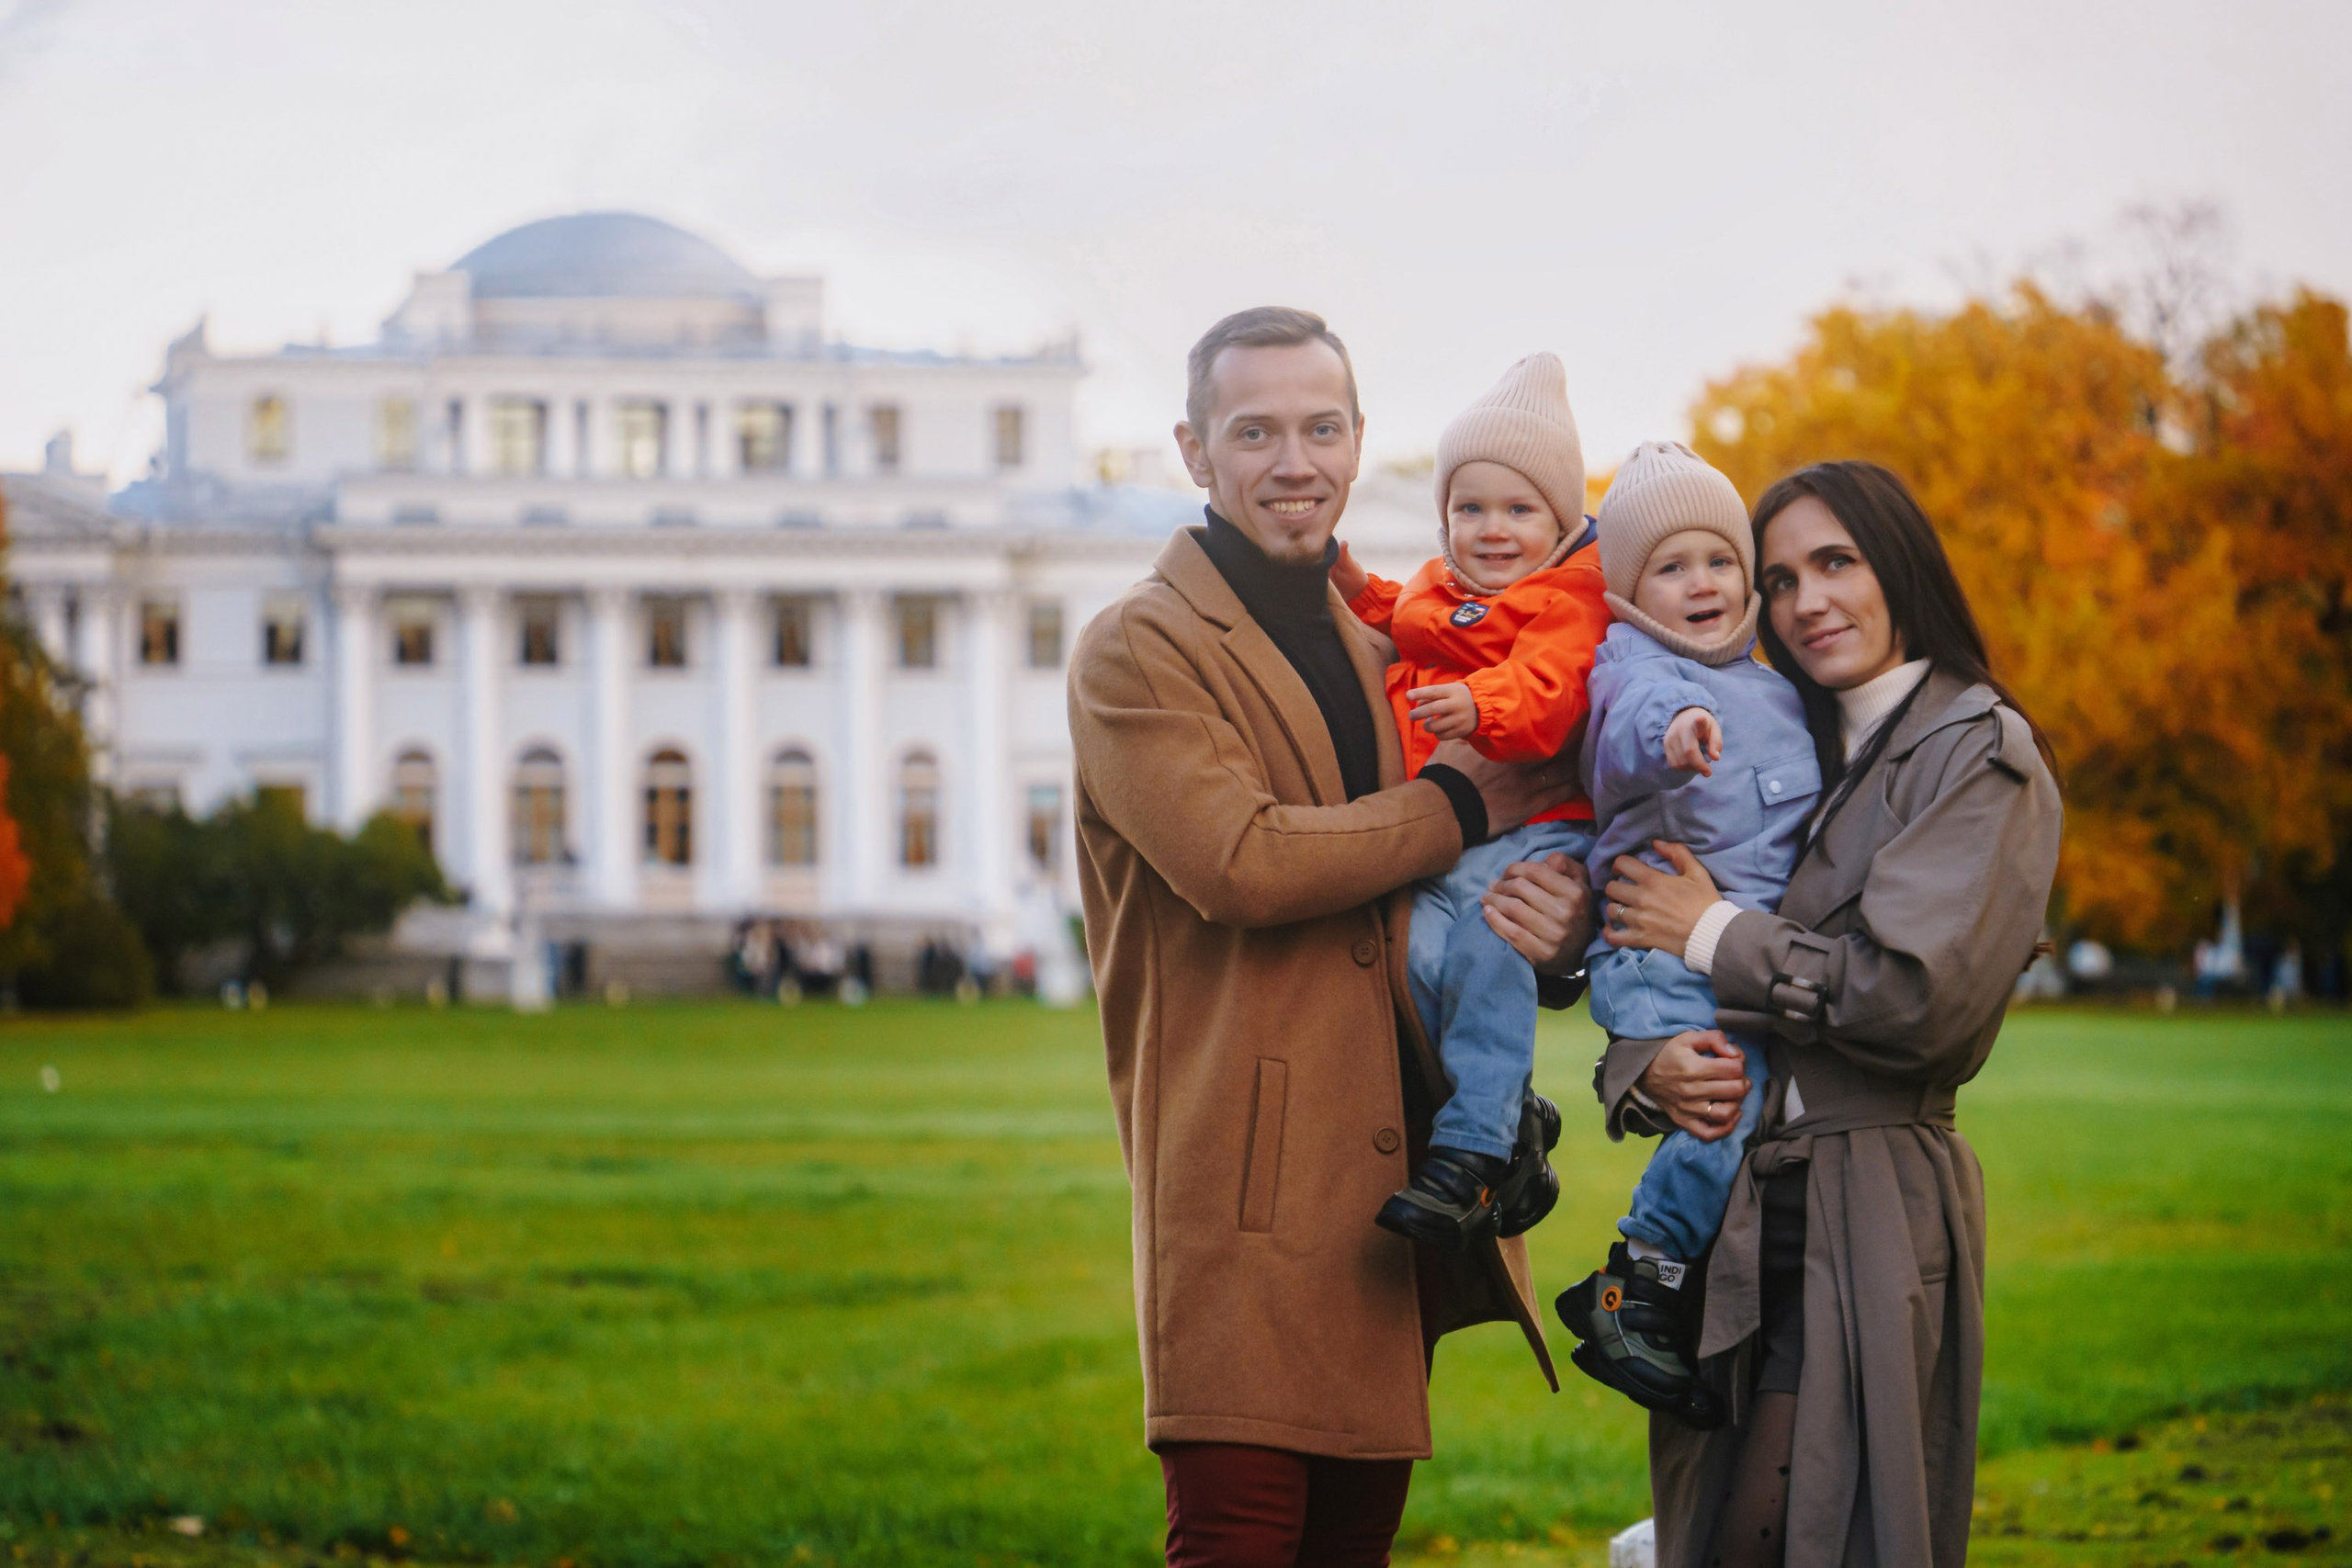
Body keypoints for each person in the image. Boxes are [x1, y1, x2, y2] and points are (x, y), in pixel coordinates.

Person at [1069, 307, 1598, 1566]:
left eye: (1320, 427)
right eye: (1255, 430)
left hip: (1387, 1196)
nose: (1292, 459)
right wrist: (1467, 797)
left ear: (1360, 443)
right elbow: (1241, 860)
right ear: (1195, 450)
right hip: (1245, 1197)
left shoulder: (1392, 643)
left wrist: (1556, 922)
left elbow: (1483, 866)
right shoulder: (1138, 649)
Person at [1595, 460, 2062, 1568]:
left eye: (1836, 564)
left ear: (1898, 565)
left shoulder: (1976, 753)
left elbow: (1916, 1002)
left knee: (1799, 1532)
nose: (1807, 602)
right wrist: (1641, 1054)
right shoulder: (1770, 733)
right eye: (1781, 577)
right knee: (1709, 1531)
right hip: (1731, 1212)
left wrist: (1709, 933)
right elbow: (1643, 898)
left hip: (1864, 1207)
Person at [1547, 443, 1812, 1429]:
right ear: (1626, 588)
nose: (1699, 583)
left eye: (1717, 560)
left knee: (1735, 1106)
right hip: (1656, 951)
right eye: (1669, 566)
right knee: (1719, 1106)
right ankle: (1634, 1281)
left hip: (1733, 952)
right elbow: (1623, 726)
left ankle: (1641, 1289)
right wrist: (1674, 730)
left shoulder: (1780, 689)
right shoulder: (1635, 671)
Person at [1325, 352, 1610, 1249]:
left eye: (1519, 509)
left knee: (1488, 955)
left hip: (1532, 835)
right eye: (1470, 507)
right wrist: (1339, 575)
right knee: (1418, 962)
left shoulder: (1565, 605)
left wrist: (1477, 707)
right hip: (1450, 835)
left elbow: (1551, 692)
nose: (1491, 529)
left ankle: (1471, 1149)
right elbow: (1391, 612)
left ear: (1559, 519)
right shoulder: (1441, 588)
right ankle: (1512, 1117)